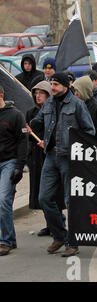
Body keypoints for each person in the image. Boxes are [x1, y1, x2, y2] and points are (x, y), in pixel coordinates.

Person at [30, 72, 95, 257]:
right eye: (52, 84)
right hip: (50, 156)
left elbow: (89, 130)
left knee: (70, 200)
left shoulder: (77, 105)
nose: (52, 87)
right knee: (44, 198)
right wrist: (33, 125)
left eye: (56, 84)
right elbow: (40, 121)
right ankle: (59, 235)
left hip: (69, 158)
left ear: (65, 86)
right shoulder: (49, 103)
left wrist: (79, 151)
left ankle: (72, 243)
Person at [26, 81, 65, 237]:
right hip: (37, 157)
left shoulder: (55, 110)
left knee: (55, 192)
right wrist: (29, 133)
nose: (38, 96)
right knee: (42, 193)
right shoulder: (30, 112)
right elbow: (28, 134)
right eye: (36, 93)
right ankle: (50, 224)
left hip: (52, 154)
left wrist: (47, 142)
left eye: (41, 93)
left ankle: (59, 222)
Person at [0, 85, 28, 256]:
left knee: (3, 200)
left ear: (1, 95)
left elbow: (23, 141)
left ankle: (7, 240)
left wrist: (19, 166)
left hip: (9, 162)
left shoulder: (15, 115)